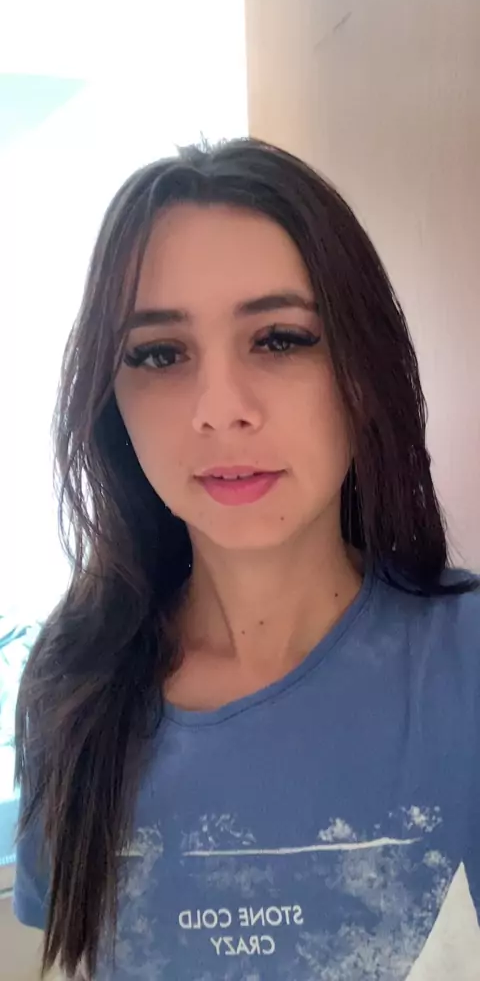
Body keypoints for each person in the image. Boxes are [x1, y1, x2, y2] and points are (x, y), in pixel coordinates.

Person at [13, 137, 480, 981]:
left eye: (280, 339)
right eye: (160, 353)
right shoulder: (72, 682)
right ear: (111, 400)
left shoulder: (467, 665)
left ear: (364, 371)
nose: (219, 409)